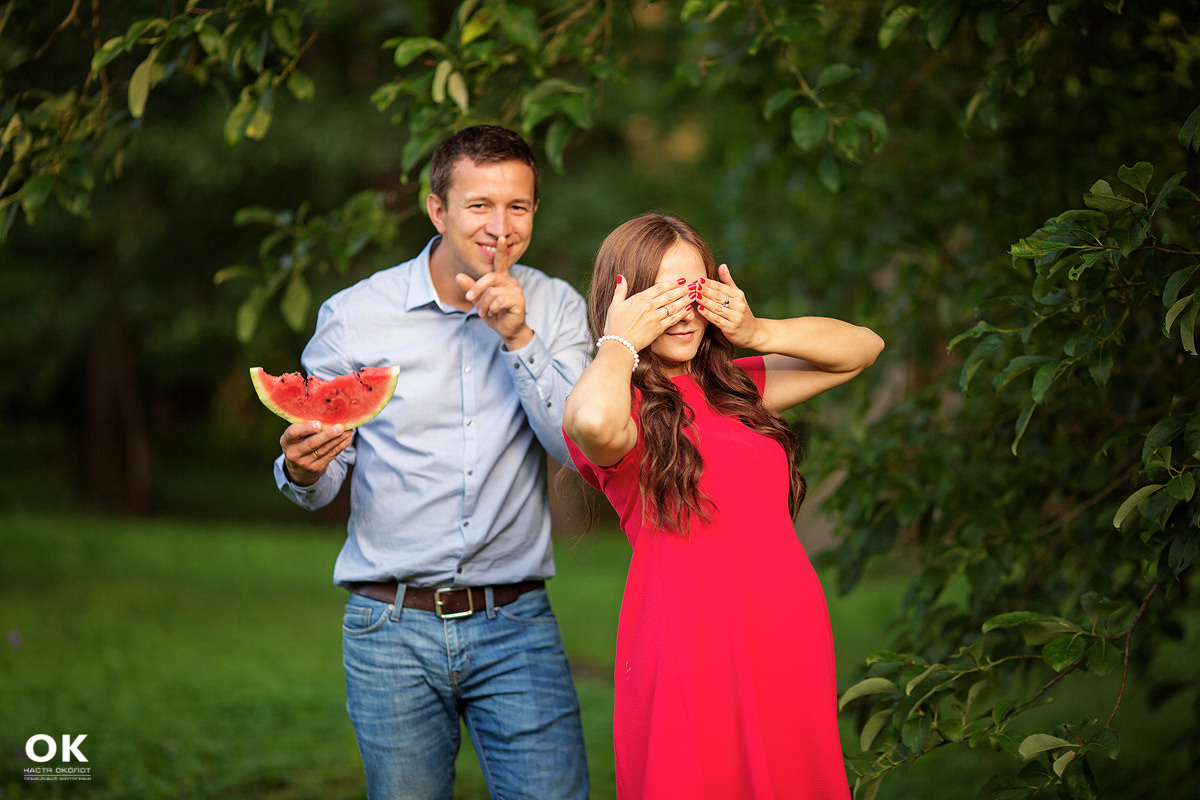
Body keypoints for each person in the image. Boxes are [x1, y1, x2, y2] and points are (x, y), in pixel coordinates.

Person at [272, 125, 590, 800]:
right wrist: (302, 470)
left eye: (518, 207)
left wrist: (520, 339)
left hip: (517, 623)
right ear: (437, 209)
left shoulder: (557, 306)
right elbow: (322, 475)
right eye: (479, 205)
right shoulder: (355, 316)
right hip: (389, 628)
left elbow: (576, 446)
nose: (500, 226)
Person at [563, 213, 884, 799]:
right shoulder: (618, 402)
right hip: (689, 644)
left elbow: (862, 348)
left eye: (694, 291)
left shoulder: (735, 390)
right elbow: (591, 423)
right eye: (662, 297)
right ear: (624, 303)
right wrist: (617, 343)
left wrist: (758, 331)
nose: (684, 313)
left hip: (783, 632)